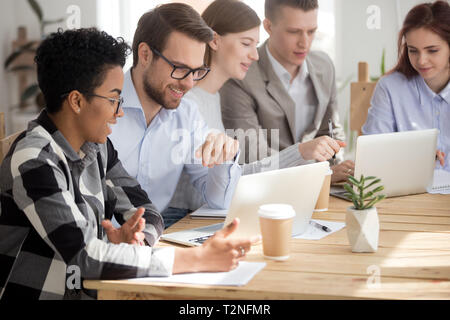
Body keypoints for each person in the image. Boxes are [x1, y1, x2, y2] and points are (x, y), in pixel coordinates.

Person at [0, 28, 257, 300]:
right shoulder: (34, 160)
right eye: (113, 99)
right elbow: (84, 256)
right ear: (76, 101)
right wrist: (196, 259)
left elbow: (148, 212)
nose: (120, 111)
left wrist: (135, 242)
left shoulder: (98, 147)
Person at [170, 0, 343, 212]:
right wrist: (301, 153)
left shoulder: (214, 98)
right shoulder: (190, 104)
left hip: (216, 212)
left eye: (255, 44)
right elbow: (229, 178)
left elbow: (236, 174)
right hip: (187, 218)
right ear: (215, 41)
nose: (255, 55)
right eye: (246, 44)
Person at [109, 3, 242, 228]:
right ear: (145, 55)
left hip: (159, 238)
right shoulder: (103, 106)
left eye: (197, 71)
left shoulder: (187, 114)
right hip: (106, 243)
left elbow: (218, 200)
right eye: (179, 68)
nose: (189, 83)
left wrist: (223, 157)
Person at [220, 0, 354, 184]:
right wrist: (321, 175)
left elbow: (330, 131)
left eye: (311, 31)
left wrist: (338, 167)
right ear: (268, 26)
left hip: (320, 188)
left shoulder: (324, 66)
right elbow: (252, 156)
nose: (304, 43)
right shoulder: (240, 76)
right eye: (294, 32)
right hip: (265, 190)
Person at [362, 0, 449, 170]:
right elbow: (372, 155)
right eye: (413, 50)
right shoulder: (390, 88)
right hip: (408, 195)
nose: (421, 61)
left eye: (432, 50)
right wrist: (413, 156)